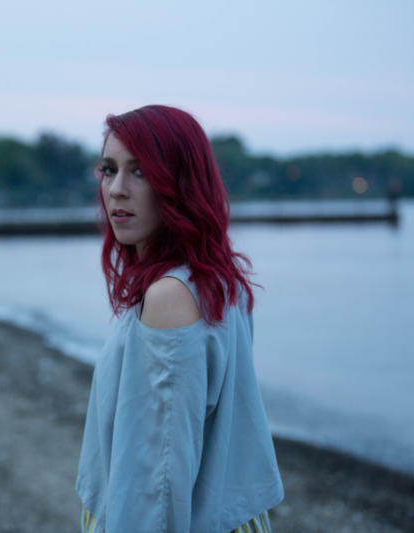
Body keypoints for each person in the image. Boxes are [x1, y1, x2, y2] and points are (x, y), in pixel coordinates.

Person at [76, 105, 283, 533]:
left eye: (141, 172)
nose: (116, 189)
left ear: (181, 184)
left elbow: (156, 482)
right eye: (109, 169)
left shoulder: (171, 295)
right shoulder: (219, 280)